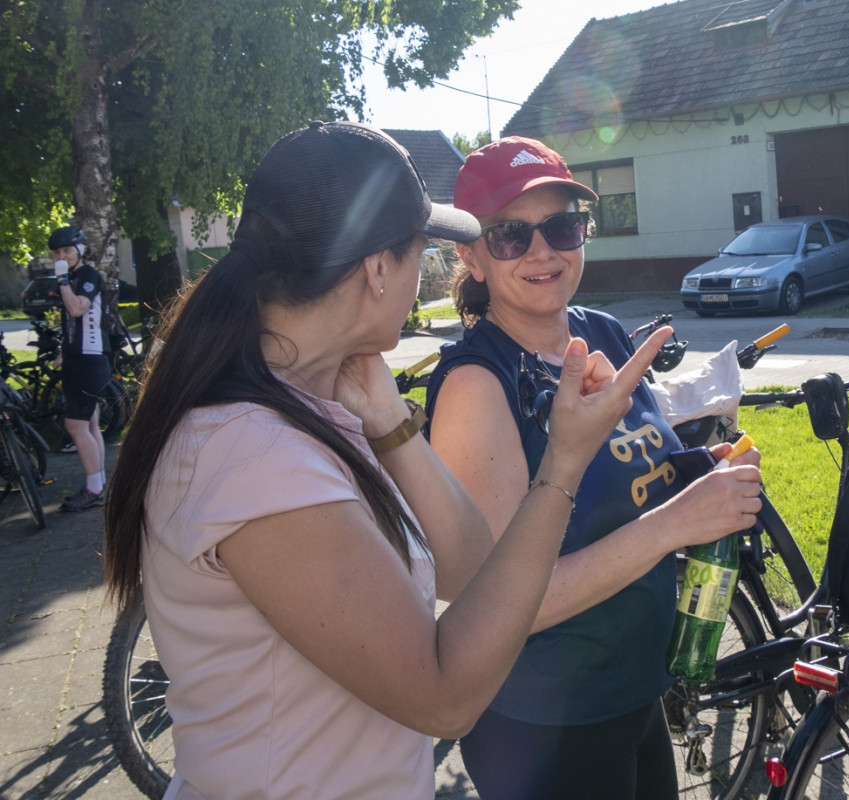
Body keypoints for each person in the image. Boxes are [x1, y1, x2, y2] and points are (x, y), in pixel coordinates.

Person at [101, 121, 673, 800]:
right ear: (377, 269)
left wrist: (390, 424)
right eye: (419, 253)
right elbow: (444, 699)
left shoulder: (313, 407)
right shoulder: (254, 453)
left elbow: (474, 572)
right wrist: (564, 463)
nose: (425, 276)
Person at [424, 136, 764, 800]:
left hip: (634, 689)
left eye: (561, 226)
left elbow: (634, 478)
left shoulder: (601, 333)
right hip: (545, 724)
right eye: (510, 235)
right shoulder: (478, 384)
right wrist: (675, 525)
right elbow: (501, 607)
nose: (542, 251)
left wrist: (703, 473)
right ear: (470, 254)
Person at [48, 225, 110, 511]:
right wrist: (64, 352)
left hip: (90, 359)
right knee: (91, 423)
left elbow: (77, 309)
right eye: (57, 252)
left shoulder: (87, 276)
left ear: (80, 250)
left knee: (75, 425)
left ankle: (94, 489)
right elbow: (71, 323)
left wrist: (62, 280)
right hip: (76, 358)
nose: (62, 256)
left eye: (67, 250)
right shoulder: (71, 278)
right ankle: (99, 482)